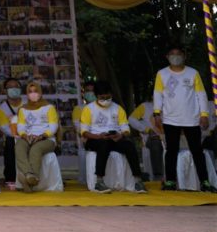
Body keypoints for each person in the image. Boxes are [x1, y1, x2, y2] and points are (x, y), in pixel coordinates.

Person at [153, 46, 214, 192]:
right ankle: (170, 182)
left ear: (184, 56)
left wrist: (204, 115)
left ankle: (204, 182)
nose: (175, 57)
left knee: (197, 151)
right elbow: (158, 94)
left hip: (191, 118)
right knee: (171, 151)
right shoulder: (162, 74)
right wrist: (157, 113)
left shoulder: (193, 73)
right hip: (170, 118)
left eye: (178, 54)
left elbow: (201, 95)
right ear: (167, 56)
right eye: (172, 54)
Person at [79, 80, 146, 193]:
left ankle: (138, 181)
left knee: (129, 146)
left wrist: (120, 135)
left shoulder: (117, 108)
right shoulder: (88, 109)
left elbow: (125, 129)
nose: (105, 100)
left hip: (114, 138)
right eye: (102, 97)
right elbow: (84, 132)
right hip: (95, 139)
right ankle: (99, 182)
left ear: (111, 94)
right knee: (103, 145)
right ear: (96, 96)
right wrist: (98, 136)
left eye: (108, 97)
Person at [14, 80, 59, 192]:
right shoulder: (23, 109)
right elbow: (21, 126)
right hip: (28, 137)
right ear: (27, 94)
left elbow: (54, 127)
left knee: (36, 149)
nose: (33, 94)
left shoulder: (49, 107)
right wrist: (24, 136)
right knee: (19, 146)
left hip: (46, 139)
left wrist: (42, 136)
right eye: (30, 91)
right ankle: (29, 176)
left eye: (35, 91)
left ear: (40, 92)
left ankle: (30, 179)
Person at [0, 78, 23, 188]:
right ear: (5, 91)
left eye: (16, 86)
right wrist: (19, 135)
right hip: (13, 136)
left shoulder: (27, 103)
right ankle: (10, 178)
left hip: (30, 134)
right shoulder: (2, 109)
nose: (14, 89)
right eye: (10, 87)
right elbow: (4, 128)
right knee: (10, 143)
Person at [128, 96, 163, 182]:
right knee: (156, 142)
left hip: (168, 137)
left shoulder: (170, 106)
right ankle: (158, 176)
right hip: (151, 138)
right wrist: (147, 129)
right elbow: (131, 119)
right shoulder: (145, 106)